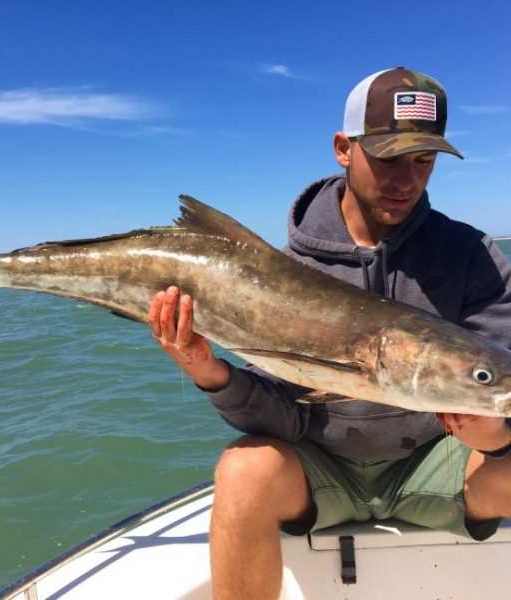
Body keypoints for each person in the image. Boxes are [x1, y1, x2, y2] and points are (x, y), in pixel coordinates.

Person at [147, 67, 511, 599]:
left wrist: (496, 438)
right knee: (243, 472)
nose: (405, 180)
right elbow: (281, 413)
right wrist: (209, 373)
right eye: (387, 158)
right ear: (344, 148)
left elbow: (498, 376)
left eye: (423, 161)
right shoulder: (280, 276)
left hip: (440, 463)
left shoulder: (473, 256)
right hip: (321, 467)